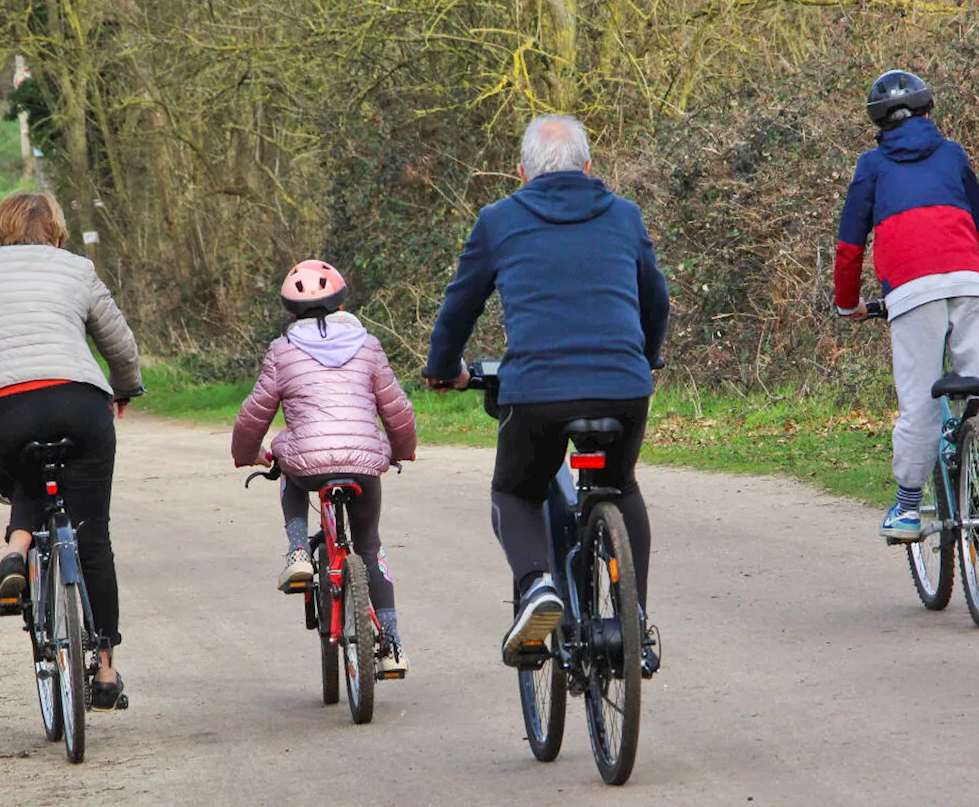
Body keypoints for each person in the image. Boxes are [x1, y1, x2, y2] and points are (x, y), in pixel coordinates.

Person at [423, 115, 669, 674]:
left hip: (537, 394)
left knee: (515, 490)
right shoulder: (625, 216)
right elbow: (656, 301)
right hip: (622, 388)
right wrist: (647, 356)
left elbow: (460, 306)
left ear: (521, 172)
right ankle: (633, 621)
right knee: (618, 484)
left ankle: (536, 587)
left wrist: (443, 369)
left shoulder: (498, 220)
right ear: (588, 167)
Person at [0, 192, 144, 710]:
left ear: (1, 229)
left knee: (23, 468)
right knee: (93, 540)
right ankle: (105, 670)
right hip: (79, 403)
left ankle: (16, 553)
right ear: (57, 231)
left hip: (1, 408)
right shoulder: (78, 270)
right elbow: (117, 339)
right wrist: (126, 385)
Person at [835, 70, 979, 540]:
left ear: (879, 124)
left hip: (910, 291)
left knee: (920, 397)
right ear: (928, 111)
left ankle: (906, 508)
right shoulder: (953, 155)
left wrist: (848, 305)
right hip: (969, 281)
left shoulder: (872, 166)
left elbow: (849, 247)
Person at [231, 260, 417, 676]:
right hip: (364, 465)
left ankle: (298, 550)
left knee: (287, 465)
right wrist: (400, 449)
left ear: (290, 312)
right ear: (341, 303)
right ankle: (392, 646)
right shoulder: (368, 346)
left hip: (309, 465)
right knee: (368, 544)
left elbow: (253, 416)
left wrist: (249, 454)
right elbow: (398, 409)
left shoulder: (282, 351)